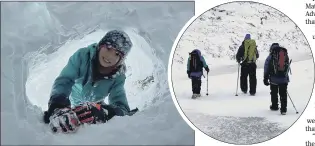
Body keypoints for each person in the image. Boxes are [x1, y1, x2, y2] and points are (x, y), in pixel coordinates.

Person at [43, 30, 138, 133]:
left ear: (121, 59)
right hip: (73, 100)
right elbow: (65, 80)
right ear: (101, 45)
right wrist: (58, 104)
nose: (110, 56)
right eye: (109, 48)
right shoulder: (82, 56)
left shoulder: (118, 77)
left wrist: (107, 112)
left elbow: (121, 106)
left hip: (94, 106)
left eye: (116, 54)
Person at [263, 43, 290, 115]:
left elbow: (266, 68)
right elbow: (287, 67)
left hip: (273, 79)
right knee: (283, 94)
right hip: (283, 79)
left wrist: (265, 78)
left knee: (274, 93)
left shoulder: (271, 56)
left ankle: (274, 106)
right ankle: (283, 109)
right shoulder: (284, 54)